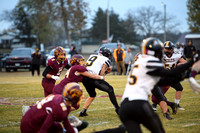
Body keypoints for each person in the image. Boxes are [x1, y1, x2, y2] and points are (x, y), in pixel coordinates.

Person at [119, 37, 198, 133]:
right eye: (160, 51)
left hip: (124, 107)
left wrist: (184, 76)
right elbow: (171, 74)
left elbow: (162, 82)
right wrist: (192, 61)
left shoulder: (140, 61)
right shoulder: (150, 60)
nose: (162, 53)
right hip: (138, 104)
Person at [79, 47, 120, 117]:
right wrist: (106, 71)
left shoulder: (92, 56)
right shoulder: (106, 59)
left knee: (92, 95)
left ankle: (83, 112)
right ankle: (118, 109)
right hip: (93, 78)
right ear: (106, 54)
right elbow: (101, 75)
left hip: (84, 78)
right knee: (110, 89)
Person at [152, 41, 187, 111]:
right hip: (164, 76)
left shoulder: (176, 55)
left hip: (171, 76)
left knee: (179, 88)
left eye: (168, 49)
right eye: (165, 48)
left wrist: (180, 65)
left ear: (172, 49)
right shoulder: (161, 55)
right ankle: (155, 104)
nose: (166, 50)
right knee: (159, 93)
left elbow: (184, 62)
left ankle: (176, 105)